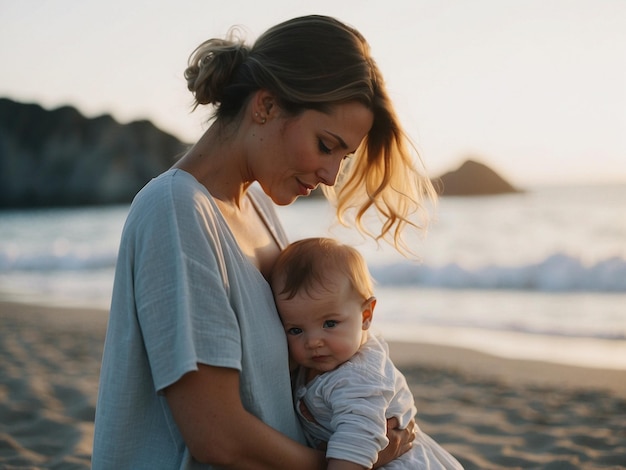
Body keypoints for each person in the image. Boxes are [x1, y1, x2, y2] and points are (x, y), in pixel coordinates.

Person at [92, 14, 437, 469]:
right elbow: (216, 437)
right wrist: (355, 460)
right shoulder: (176, 210)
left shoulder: (259, 209)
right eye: (325, 144)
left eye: (344, 157)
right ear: (266, 106)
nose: (331, 175)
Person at [270, 237, 464, 470]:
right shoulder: (332, 357)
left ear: (365, 316)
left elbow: (357, 440)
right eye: (296, 330)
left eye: (330, 323)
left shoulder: (358, 377)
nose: (312, 341)